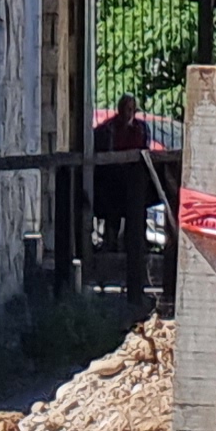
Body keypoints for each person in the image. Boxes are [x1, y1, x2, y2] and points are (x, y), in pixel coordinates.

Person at [90, 91, 158, 296]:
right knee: (112, 203)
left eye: (131, 108)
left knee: (138, 206)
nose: (128, 112)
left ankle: (136, 242)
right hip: (113, 179)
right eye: (125, 108)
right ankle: (111, 240)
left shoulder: (141, 128)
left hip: (134, 179)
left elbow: (144, 151)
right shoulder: (109, 129)